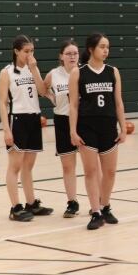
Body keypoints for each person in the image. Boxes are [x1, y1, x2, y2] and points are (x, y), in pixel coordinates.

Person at [69, 33, 127, 230]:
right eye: (102, 47)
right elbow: (73, 105)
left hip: (109, 126)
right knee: (91, 171)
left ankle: (105, 205)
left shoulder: (113, 71)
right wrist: (72, 131)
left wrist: (124, 127)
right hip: (87, 127)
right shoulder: (78, 73)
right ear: (91, 49)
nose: (106, 50)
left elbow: (118, 103)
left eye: (107, 47)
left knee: (110, 172)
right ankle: (95, 212)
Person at [0, 35, 52, 222]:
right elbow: (2, 103)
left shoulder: (31, 69)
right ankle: (15, 207)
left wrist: (34, 68)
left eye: (32, 51)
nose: (30, 54)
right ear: (16, 51)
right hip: (17, 119)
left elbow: (43, 91)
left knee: (29, 166)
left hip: (34, 118)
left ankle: (31, 203)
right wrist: (6, 129)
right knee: (15, 166)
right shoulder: (6, 73)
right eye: (26, 51)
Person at [44, 40, 81, 218]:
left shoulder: (83, 72)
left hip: (83, 121)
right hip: (62, 120)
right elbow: (42, 89)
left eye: (75, 53)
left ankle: (98, 203)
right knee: (68, 166)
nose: (72, 56)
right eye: (69, 53)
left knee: (92, 166)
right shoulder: (54, 74)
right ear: (61, 56)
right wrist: (53, 98)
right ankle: (72, 202)